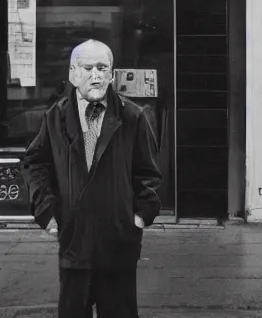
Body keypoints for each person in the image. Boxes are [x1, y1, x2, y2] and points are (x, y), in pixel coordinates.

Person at [21, 39, 162, 318]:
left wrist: (140, 216)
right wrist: (46, 210)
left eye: (102, 68)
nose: (95, 76)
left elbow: (149, 173)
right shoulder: (56, 117)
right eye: (87, 68)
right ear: (73, 73)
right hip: (75, 241)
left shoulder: (132, 116)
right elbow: (35, 163)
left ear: (112, 74)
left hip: (119, 242)